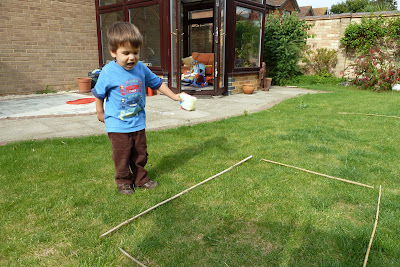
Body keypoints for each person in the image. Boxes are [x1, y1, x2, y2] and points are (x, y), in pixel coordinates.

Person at [92, 21, 186, 195]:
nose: (132, 58)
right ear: (113, 52)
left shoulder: (141, 68)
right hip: (117, 123)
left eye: (135, 52)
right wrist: (100, 112)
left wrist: (174, 96)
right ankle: (123, 181)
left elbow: (157, 83)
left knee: (140, 153)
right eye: (125, 53)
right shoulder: (108, 72)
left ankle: (141, 179)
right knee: (122, 154)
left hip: (138, 121)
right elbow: (99, 94)